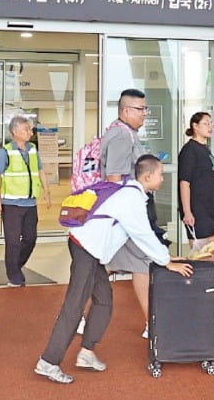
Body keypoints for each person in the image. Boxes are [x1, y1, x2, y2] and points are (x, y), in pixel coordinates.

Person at [35, 154, 193, 384]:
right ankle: (48, 361)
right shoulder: (132, 199)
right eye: (160, 175)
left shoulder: (128, 189)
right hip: (86, 249)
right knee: (74, 305)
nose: (162, 179)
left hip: (89, 249)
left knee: (104, 300)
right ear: (147, 176)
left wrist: (165, 256)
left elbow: (140, 236)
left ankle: (87, 353)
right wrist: (166, 261)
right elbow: (142, 234)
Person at [100, 89, 155, 337]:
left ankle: (75, 312)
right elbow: (114, 177)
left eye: (145, 109)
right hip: (125, 216)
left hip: (125, 214)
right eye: (140, 109)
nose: (144, 114)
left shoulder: (127, 134)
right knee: (141, 262)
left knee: (114, 265)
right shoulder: (121, 137)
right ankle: (153, 323)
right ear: (125, 111)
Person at [0, 115, 52, 287]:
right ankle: (14, 275)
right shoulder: (5, 152)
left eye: (30, 129)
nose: (30, 132)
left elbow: (41, 171)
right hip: (11, 204)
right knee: (13, 241)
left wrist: (47, 191)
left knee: (30, 238)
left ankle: (15, 266)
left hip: (30, 203)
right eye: (26, 129)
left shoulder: (32, 150)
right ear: (15, 132)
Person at [177, 112, 214, 309]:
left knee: (212, 254)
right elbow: (185, 182)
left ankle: (211, 295)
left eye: (211, 123)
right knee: (200, 255)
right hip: (199, 211)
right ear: (195, 126)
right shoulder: (189, 150)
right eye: (206, 123)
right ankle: (196, 296)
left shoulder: (205, 149)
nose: (210, 126)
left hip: (213, 209)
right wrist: (187, 211)